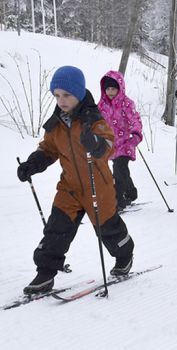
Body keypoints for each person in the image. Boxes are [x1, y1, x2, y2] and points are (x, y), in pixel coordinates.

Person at [16, 66, 135, 294]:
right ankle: (45, 273)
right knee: (56, 230)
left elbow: (108, 145)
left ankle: (124, 255)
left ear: (79, 94)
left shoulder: (94, 120)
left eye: (67, 95)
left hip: (97, 187)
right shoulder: (56, 124)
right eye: (57, 95)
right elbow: (49, 149)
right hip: (69, 188)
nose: (61, 100)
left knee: (109, 230)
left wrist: (96, 144)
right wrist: (33, 164)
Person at [98, 70, 143, 211]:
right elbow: (97, 122)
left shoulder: (127, 104)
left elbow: (135, 119)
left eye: (113, 89)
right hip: (110, 144)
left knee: (119, 171)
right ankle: (130, 192)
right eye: (108, 89)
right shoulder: (102, 105)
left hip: (125, 143)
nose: (110, 92)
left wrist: (135, 134)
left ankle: (119, 202)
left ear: (120, 88)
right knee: (121, 172)